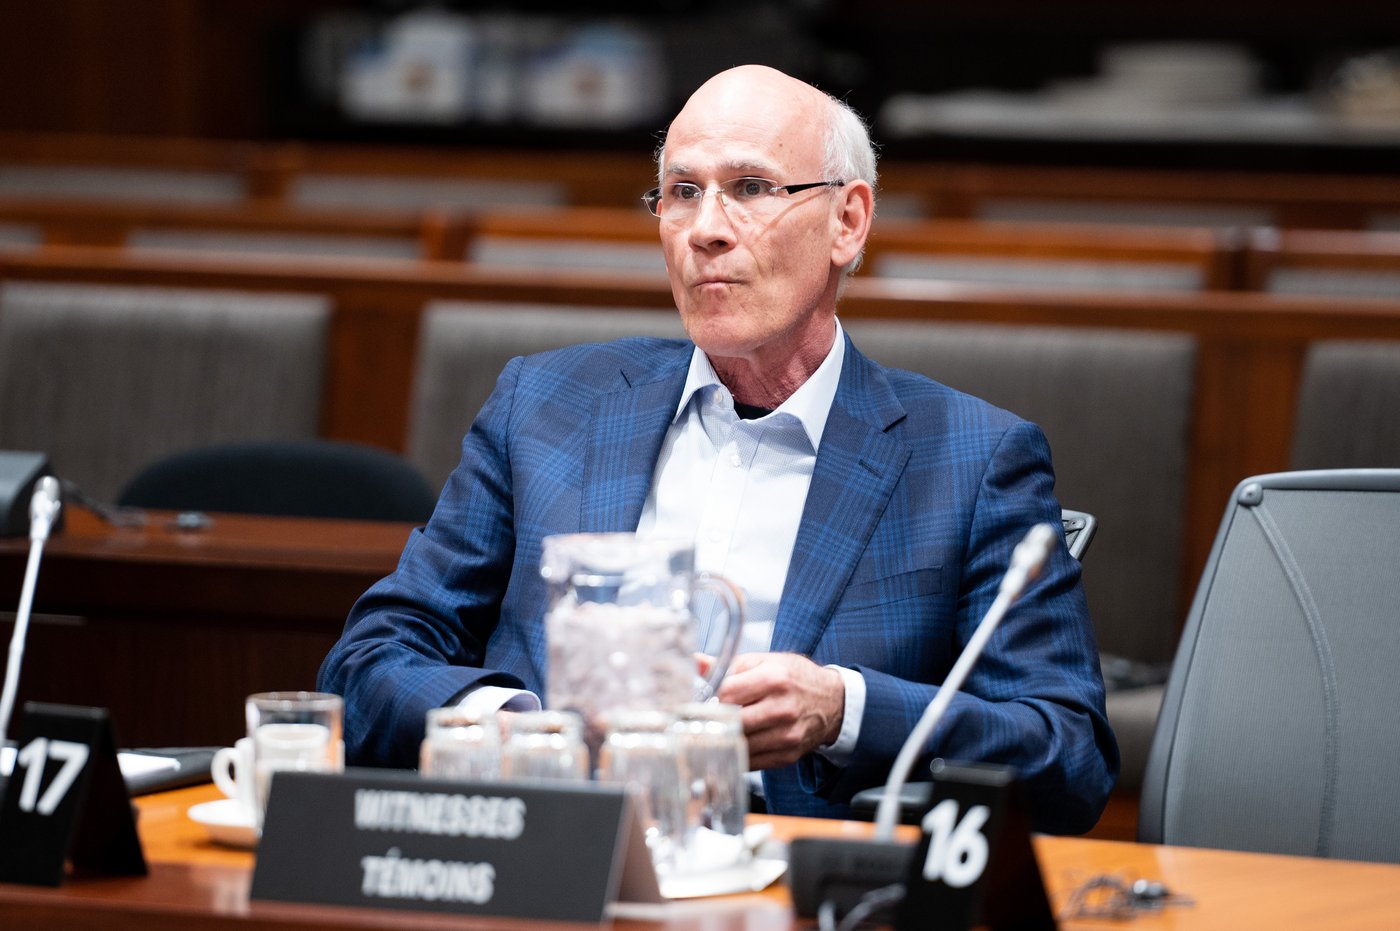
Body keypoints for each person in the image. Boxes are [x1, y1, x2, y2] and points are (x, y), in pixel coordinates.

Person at [319, 64, 1118, 833]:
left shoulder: (972, 459)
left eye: (751, 188)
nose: (705, 230)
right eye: (682, 193)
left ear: (847, 221)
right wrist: (516, 729)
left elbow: (1069, 756)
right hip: (549, 852)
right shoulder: (545, 407)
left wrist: (845, 709)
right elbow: (370, 660)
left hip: (794, 871)